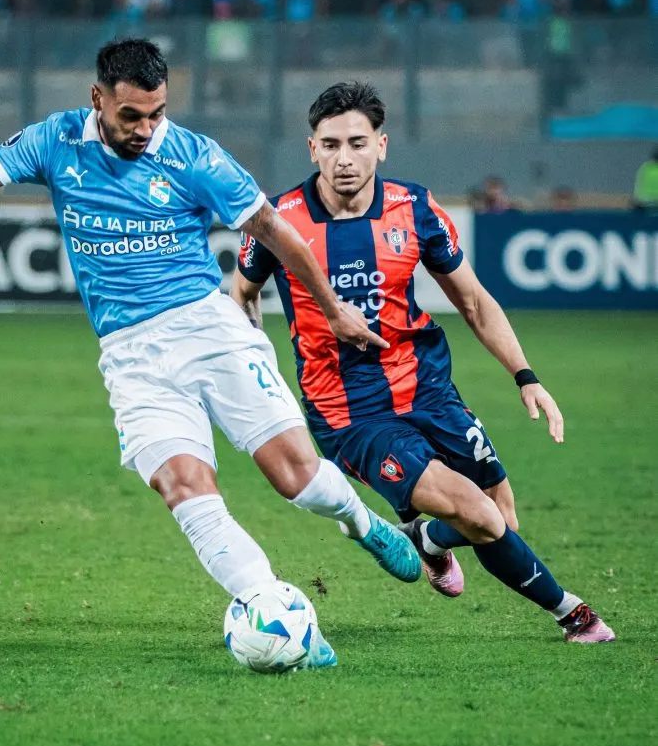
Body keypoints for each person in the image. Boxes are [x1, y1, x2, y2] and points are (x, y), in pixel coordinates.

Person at [0, 41, 421, 667]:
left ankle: (361, 523)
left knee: (295, 477)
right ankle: (275, 614)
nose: (145, 129)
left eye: (155, 113)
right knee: (184, 486)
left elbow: (276, 233)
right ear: (97, 99)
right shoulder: (56, 141)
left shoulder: (194, 156)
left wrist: (331, 307)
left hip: (211, 330)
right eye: (131, 115)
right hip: (131, 354)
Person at [232, 81, 614, 644]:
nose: (344, 158)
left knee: (503, 518)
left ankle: (429, 540)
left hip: (429, 388)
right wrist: (256, 364)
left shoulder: (415, 208)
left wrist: (525, 376)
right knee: (480, 517)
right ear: (311, 148)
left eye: (357, 143)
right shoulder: (279, 220)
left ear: (381, 146)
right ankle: (573, 614)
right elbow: (241, 292)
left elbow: (475, 302)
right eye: (331, 144)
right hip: (349, 413)